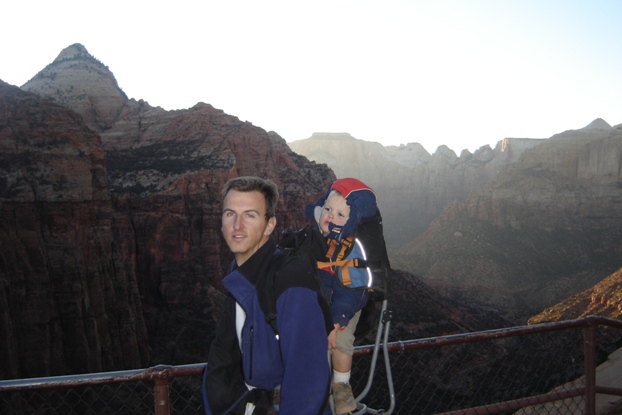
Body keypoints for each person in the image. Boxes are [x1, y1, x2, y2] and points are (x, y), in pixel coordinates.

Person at [203, 176, 331, 415]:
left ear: (270, 225)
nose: (237, 225)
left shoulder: (290, 278)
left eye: (250, 215)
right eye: (230, 214)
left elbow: (308, 377)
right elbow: (223, 353)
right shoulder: (239, 274)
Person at [304, 178, 378, 415]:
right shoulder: (314, 240)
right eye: (327, 209)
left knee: (341, 342)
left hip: (346, 304)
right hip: (319, 302)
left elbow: (352, 291)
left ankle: (341, 386)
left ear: (351, 221)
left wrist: (336, 321)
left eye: (339, 214)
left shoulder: (350, 249)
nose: (330, 216)